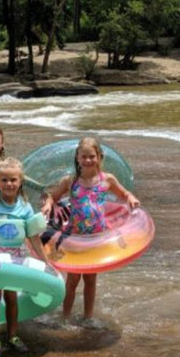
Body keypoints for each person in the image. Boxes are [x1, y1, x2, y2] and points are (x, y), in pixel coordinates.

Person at [40, 137, 140, 328]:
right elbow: (53, 197)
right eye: (83, 157)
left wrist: (131, 198)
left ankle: (88, 317)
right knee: (72, 280)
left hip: (97, 238)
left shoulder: (107, 180)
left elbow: (124, 194)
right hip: (75, 237)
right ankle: (66, 317)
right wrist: (47, 204)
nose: (87, 160)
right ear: (77, 158)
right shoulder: (71, 181)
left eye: (91, 156)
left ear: (99, 157)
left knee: (91, 280)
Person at [0, 157, 51, 356]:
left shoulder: (25, 207)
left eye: (13, 180)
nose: (9, 184)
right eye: (4, 180)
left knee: (12, 298)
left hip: (16, 259)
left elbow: (33, 236)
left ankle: (13, 335)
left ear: (20, 181)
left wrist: (46, 263)